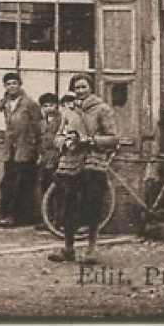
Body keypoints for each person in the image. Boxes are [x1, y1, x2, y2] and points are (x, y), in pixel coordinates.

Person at [48, 74, 119, 264]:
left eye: (83, 87)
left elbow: (113, 138)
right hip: (70, 164)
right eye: (77, 88)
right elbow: (57, 137)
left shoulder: (102, 110)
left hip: (92, 162)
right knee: (67, 206)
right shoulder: (69, 112)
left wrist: (91, 141)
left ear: (91, 88)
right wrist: (65, 142)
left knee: (92, 207)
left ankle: (91, 249)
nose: (80, 91)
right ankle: (68, 248)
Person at [0, 72, 42, 227]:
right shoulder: (6, 103)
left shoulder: (29, 104)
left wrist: (38, 150)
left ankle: (17, 217)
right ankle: (3, 214)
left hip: (26, 149)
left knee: (22, 184)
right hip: (11, 150)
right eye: (8, 84)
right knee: (7, 183)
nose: (12, 86)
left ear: (20, 85)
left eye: (14, 83)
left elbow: (38, 127)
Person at [38, 94, 65, 213]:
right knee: (45, 186)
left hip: (57, 157)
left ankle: (58, 219)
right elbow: (40, 140)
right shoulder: (42, 123)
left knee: (58, 188)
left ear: (56, 106)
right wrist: (40, 155)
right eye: (45, 106)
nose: (49, 108)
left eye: (51, 105)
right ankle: (48, 217)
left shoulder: (62, 120)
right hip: (45, 158)